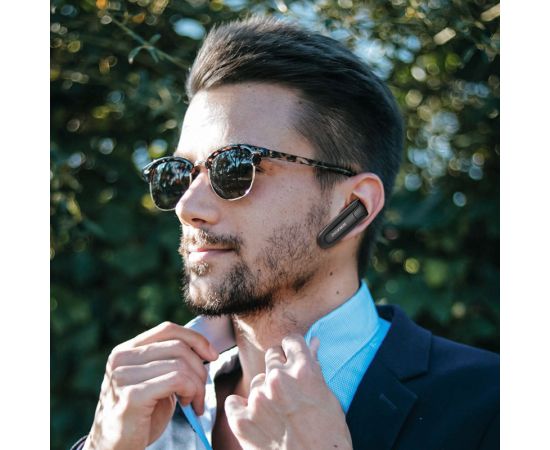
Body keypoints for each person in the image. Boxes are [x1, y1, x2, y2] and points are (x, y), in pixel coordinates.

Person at [72, 16, 499, 450]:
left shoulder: (493, 406)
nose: (187, 207)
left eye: (236, 168)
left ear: (353, 206)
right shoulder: (141, 409)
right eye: (180, 173)